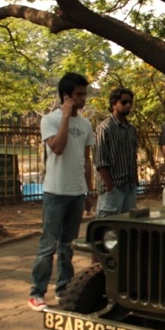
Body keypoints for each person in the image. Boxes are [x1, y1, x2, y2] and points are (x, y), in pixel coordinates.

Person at [28, 73, 95, 311]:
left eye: (84, 94)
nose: (83, 98)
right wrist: (66, 117)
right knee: (49, 246)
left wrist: (89, 191)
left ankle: (64, 289)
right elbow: (57, 148)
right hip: (55, 192)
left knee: (68, 246)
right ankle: (37, 292)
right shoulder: (50, 120)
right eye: (79, 94)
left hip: (77, 193)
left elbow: (86, 160)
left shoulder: (86, 124)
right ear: (66, 97)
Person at [95, 88, 138, 218]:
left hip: (129, 186)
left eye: (130, 102)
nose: (128, 105)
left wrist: (134, 181)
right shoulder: (105, 128)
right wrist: (109, 185)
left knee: (127, 227)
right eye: (124, 102)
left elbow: (133, 156)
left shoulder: (131, 129)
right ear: (114, 104)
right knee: (107, 229)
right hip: (113, 187)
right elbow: (100, 161)